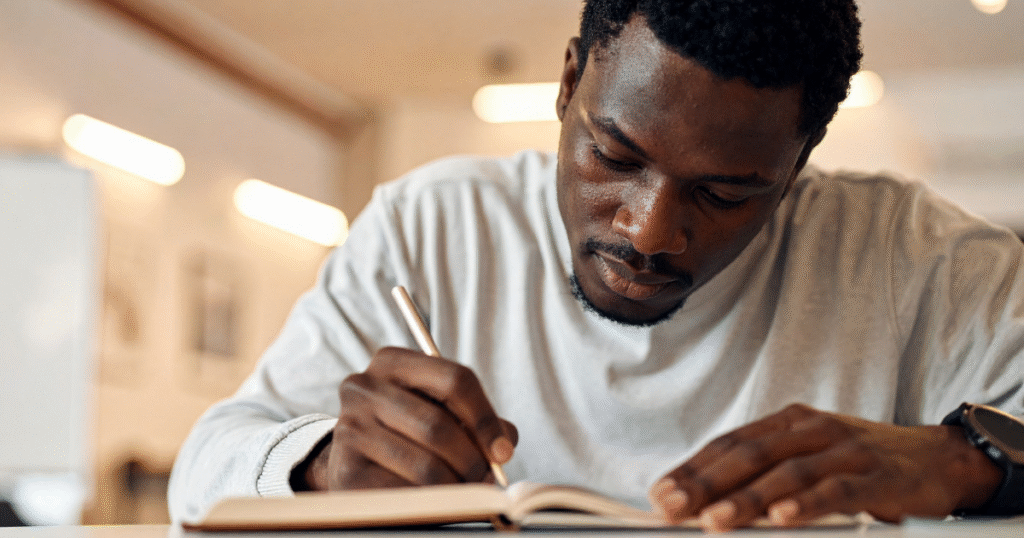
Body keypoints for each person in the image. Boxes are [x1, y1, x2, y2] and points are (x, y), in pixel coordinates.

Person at [168, 0, 1024, 532]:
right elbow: (200, 479)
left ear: (800, 163)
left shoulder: (931, 269)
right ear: (569, 83)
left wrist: (962, 463)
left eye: (726, 193)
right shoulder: (432, 227)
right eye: (614, 154)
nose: (649, 231)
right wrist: (317, 465)